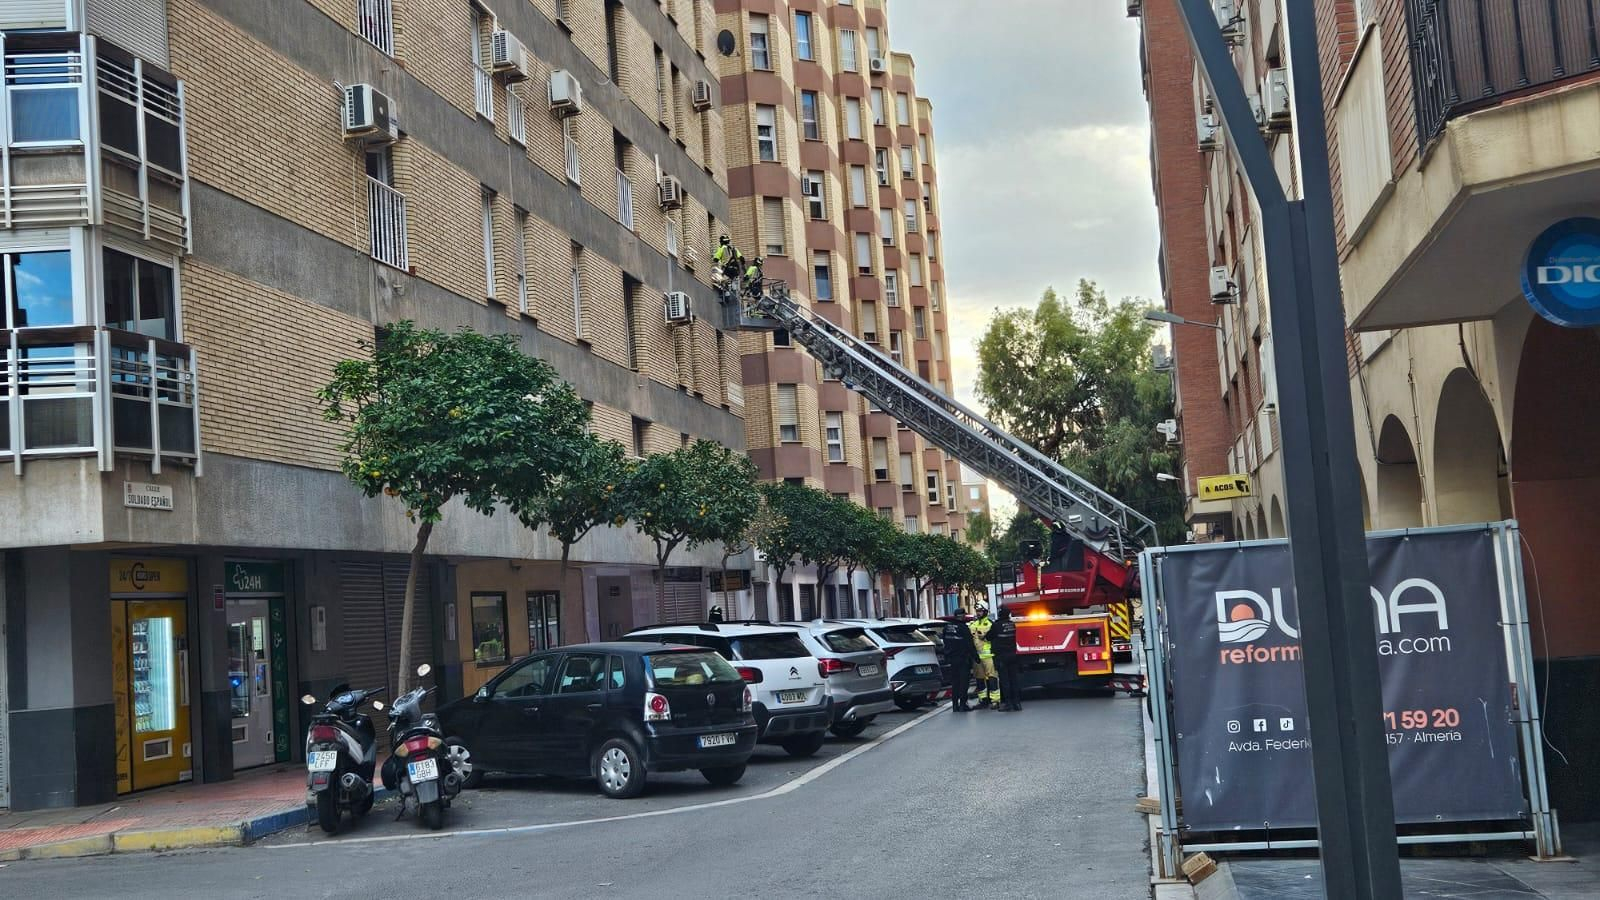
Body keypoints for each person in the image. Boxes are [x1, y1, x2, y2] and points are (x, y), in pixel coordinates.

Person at [940, 610, 975, 712]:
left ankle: (955, 705)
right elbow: (969, 644)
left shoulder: (947, 627)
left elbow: (946, 642)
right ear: (962, 616)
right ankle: (963, 705)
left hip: (951, 659)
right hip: (962, 659)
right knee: (964, 683)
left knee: (955, 683)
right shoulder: (963, 628)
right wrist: (975, 657)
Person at [988, 607, 1021, 711]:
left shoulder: (996, 625)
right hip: (1012, 655)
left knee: (1005, 681)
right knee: (1013, 680)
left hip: (1001, 656)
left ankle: (1008, 704)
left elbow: (989, 637)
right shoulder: (1012, 624)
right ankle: (1017, 704)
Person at [970, 602, 997, 709]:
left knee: (992, 678)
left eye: (980, 611)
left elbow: (994, 639)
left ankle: (995, 700)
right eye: (977, 611)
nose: (978, 613)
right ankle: (983, 700)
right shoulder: (973, 625)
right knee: (979, 679)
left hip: (989, 656)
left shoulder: (990, 624)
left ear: (985, 611)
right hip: (977, 657)